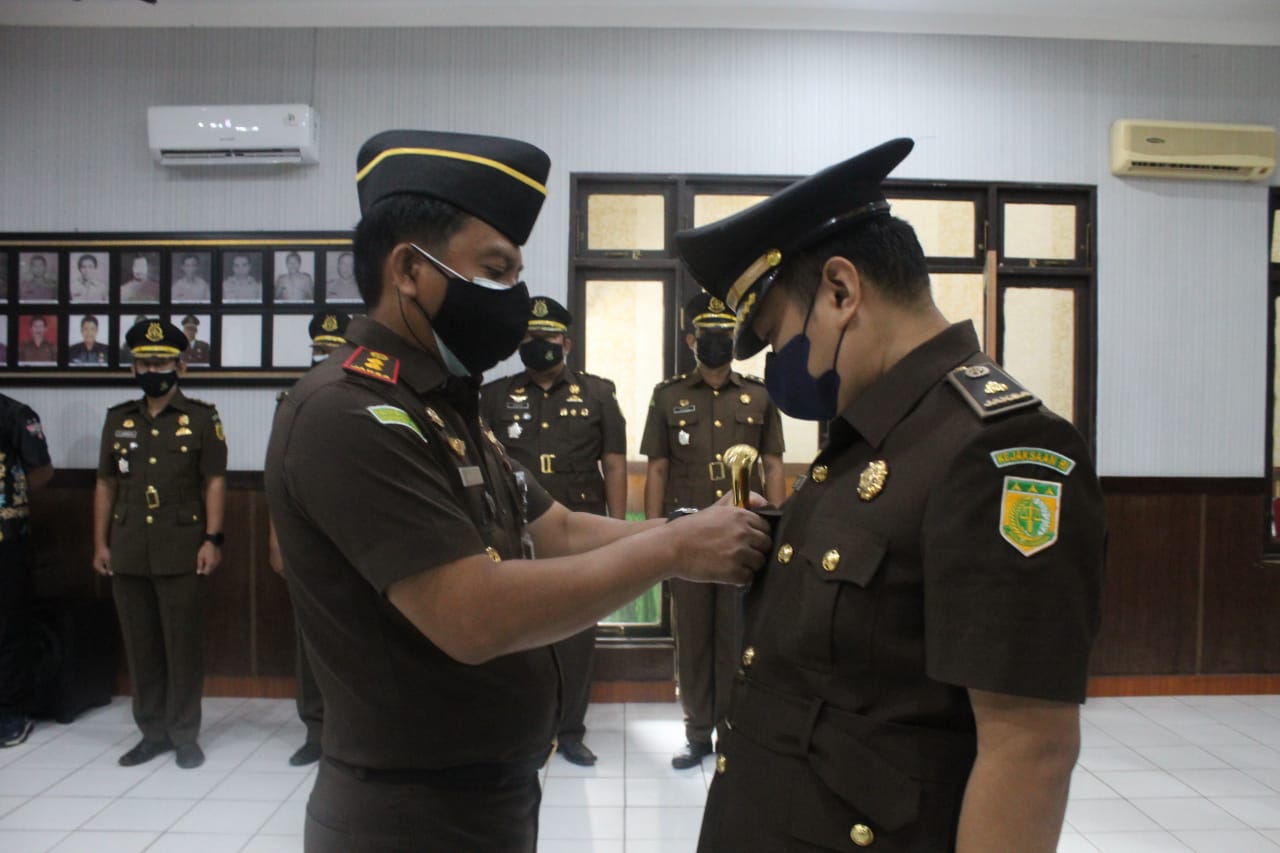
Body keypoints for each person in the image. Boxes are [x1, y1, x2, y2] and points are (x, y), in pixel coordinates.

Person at [264, 129, 770, 853]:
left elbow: (556, 527)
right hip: (408, 813)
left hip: (488, 790)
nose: (514, 298)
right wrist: (670, 549)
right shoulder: (352, 413)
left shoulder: (440, 402)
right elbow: (471, 614)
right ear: (410, 268)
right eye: (495, 271)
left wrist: (687, 534)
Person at [674, 138, 1107, 853]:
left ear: (841, 293)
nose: (778, 364)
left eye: (777, 333)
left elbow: (1030, 748)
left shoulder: (998, 452)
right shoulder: (870, 434)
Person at [479, 296, 627, 767]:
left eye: (545, 338)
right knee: (521, 630)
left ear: (566, 341)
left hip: (579, 529)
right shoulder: (494, 396)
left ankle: (571, 731)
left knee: (578, 630)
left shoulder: (598, 394)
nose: (536, 346)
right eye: (529, 339)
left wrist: (619, 531)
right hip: (514, 532)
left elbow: (615, 464)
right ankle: (528, 729)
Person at [640, 292, 786, 769]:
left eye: (725, 336)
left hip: (743, 533)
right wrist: (653, 538)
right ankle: (698, 732)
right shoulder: (669, 396)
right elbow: (657, 471)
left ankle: (732, 729)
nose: (717, 343)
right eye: (708, 336)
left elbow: (772, 465)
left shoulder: (760, 395)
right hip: (685, 537)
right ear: (691, 339)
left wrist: (778, 527)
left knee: (737, 637)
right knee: (693, 637)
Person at [93, 319, 227, 771]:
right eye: (145, 362)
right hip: (129, 545)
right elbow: (106, 484)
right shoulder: (119, 419)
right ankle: (152, 732)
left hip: (183, 546)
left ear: (181, 366)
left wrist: (212, 538)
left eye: (163, 361)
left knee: (182, 645)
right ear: (134, 368)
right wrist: (101, 542)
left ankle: (185, 734)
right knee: (141, 645)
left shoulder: (202, 418)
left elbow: (214, 482)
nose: (154, 369)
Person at [266, 310, 351, 767]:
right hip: (308, 537)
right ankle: (316, 728)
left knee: (359, 636)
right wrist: (276, 539)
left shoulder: (368, 398)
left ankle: (355, 726)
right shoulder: (292, 402)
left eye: (334, 350)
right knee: (310, 638)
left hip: (358, 539)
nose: (326, 358)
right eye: (320, 350)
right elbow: (275, 479)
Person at [0, 395, 54, 748]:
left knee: (7, 626)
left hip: (5, 539)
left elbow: (41, 471)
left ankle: (10, 710)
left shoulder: (14, 415)